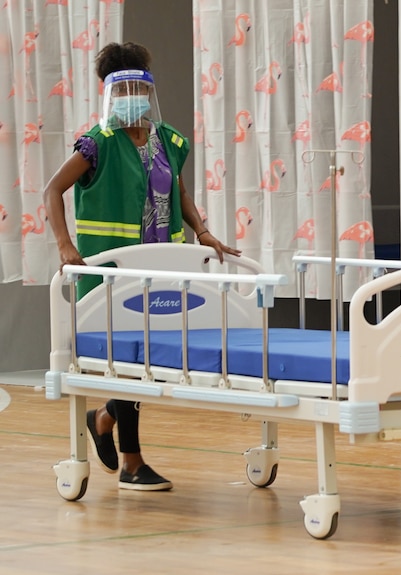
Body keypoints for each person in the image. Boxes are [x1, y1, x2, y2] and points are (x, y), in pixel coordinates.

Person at [43, 42, 240, 491]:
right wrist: (63, 245)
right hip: (112, 270)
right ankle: (132, 463)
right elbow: (53, 190)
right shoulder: (98, 144)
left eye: (139, 85)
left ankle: (104, 417)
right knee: (128, 362)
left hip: (161, 266)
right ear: (110, 92)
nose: (133, 94)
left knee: (144, 360)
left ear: (148, 88)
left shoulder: (167, 140)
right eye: (124, 86)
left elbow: (180, 194)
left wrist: (203, 232)